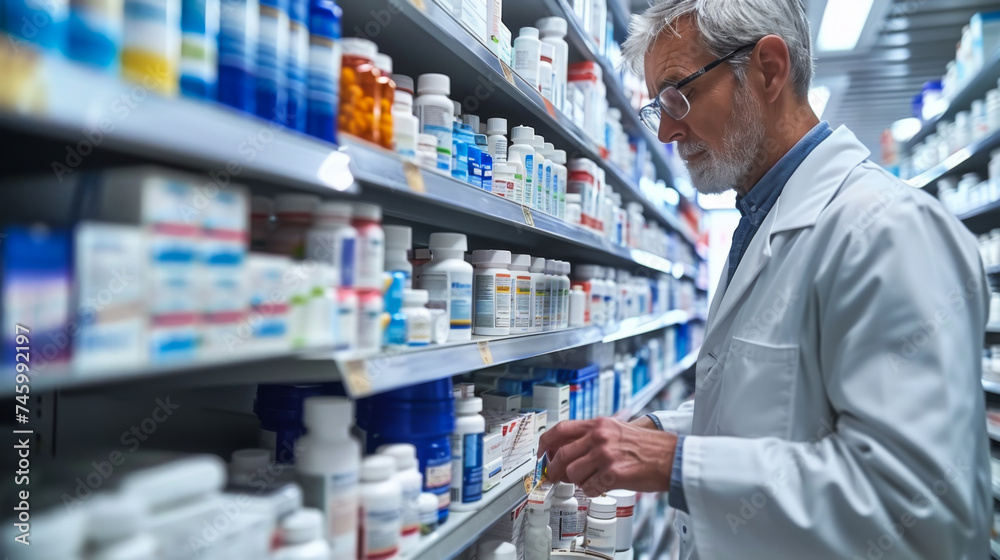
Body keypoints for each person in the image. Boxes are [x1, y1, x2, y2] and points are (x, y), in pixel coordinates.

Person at [536, 1, 991, 558]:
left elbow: (917, 508)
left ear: (769, 70)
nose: (667, 130)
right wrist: (657, 428)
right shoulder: (761, 220)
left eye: (678, 93)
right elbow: (777, 412)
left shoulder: (887, 231)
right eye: (659, 106)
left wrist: (672, 463)